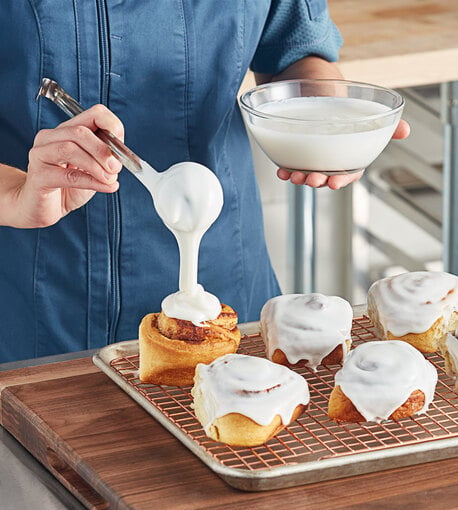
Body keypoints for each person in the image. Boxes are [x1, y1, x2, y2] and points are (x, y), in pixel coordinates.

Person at [0, 1, 409, 363]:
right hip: (33, 299)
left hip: (227, 275)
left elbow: (293, 51)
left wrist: (331, 119)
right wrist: (14, 196)